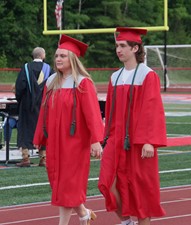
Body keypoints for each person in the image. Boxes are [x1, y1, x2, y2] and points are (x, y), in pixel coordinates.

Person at [98, 27, 167, 225]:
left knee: (141, 189)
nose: (118, 50)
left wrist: (149, 142)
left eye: (122, 46)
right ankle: (127, 222)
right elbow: (110, 112)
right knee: (106, 182)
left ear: (135, 48)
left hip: (138, 142)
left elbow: (152, 109)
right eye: (117, 46)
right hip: (116, 139)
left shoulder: (147, 75)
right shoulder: (115, 77)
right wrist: (106, 138)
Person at [33, 34, 104, 225]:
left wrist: (95, 140)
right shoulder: (51, 81)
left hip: (75, 141)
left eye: (63, 56)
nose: (58, 59)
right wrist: (40, 136)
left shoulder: (82, 82)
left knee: (67, 184)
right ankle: (83, 214)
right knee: (59, 183)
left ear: (72, 58)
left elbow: (92, 113)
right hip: (55, 141)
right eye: (56, 56)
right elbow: (43, 113)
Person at [15, 47, 54, 167]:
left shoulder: (26, 68)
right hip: (44, 104)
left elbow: (20, 87)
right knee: (43, 128)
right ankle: (43, 158)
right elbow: (53, 87)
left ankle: (25, 158)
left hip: (27, 105)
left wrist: (20, 100)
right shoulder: (49, 69)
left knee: (25, 129)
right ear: (43, 56)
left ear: (33, 56)